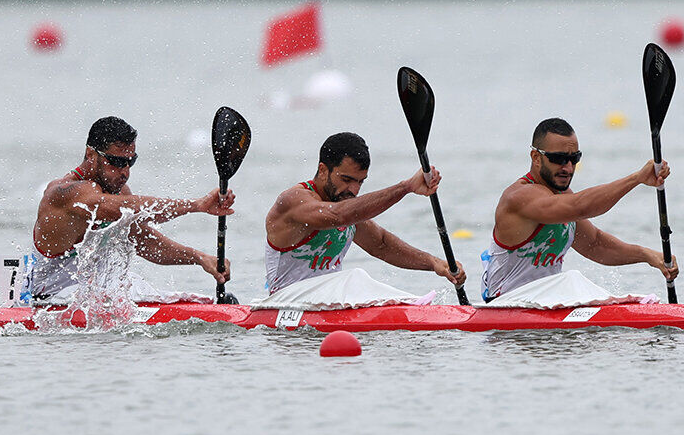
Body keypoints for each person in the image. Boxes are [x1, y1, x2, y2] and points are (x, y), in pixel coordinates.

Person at [27, 116, 235, 301]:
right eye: (116, 162)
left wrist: (200, 258)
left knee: (195, 300)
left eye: (130, 162)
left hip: (95, 293)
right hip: (48, 297)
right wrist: (196, 205)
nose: (125, 172)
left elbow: (146, 242)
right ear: (91, 154)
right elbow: (125, 209)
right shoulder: (64, 193)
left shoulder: (118, 191)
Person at [482, 117, 678, 301]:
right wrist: (636, 179)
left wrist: (647, 255)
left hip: (545, 302)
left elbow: (596, 244)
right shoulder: (519, 197)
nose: (567, 167)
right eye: (558, 159)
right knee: (573, 279)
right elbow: (580, 207)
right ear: (536, 157)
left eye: (574, 158)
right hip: (507, 305)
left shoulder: (562, 195)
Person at [263, 132, 466, 293]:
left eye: (360, 182)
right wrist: (405, 187)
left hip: (328, 301)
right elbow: (338, 216)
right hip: (286, 302)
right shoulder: (293, 200)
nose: (354, 190)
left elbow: (382, 245)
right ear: (323, 170)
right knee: (356, 276)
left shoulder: (345, 204)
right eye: (346, 179)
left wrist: (434, 263)